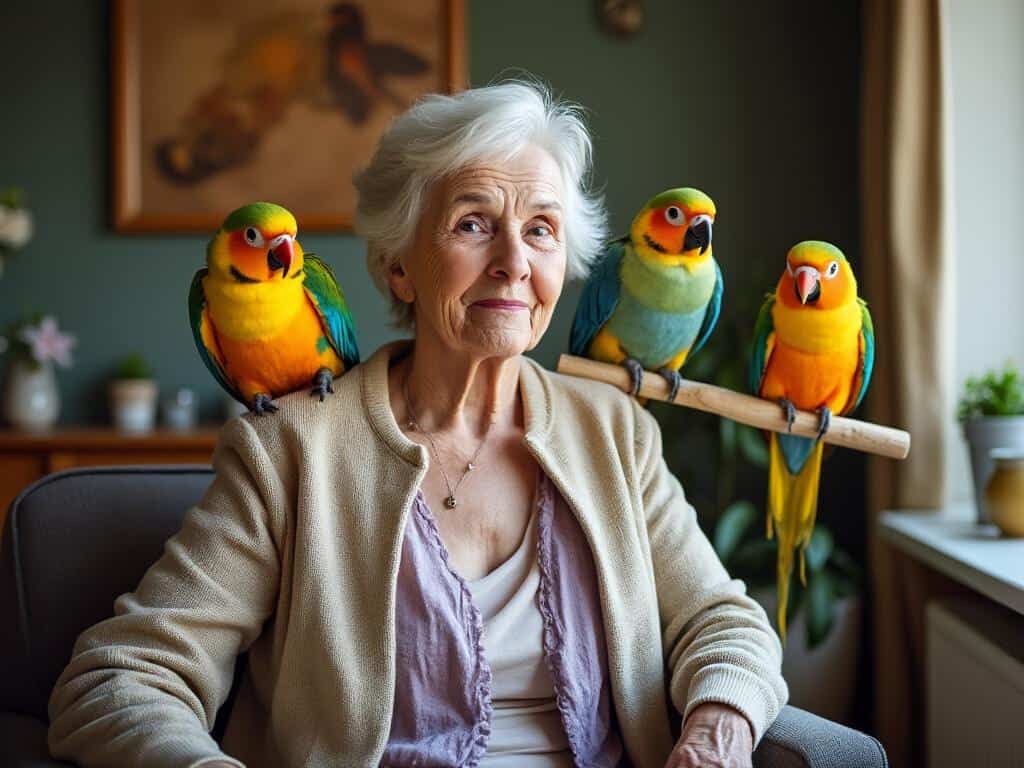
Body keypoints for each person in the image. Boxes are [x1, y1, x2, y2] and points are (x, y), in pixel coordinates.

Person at [48, 78, 787, 768]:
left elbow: (723, 622)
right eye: (473, 223)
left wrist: (716, 732)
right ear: (398, 266)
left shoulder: (615, 433)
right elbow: (119, 681)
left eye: (541, 231)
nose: (513, 263)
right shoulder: (293, 449)